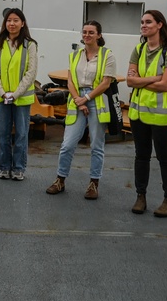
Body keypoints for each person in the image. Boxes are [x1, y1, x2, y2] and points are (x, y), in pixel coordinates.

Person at [46, 21, 115, 199]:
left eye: (91, 32)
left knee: (96, 146)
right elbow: (70, 81)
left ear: (99, 35)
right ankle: (60, 180)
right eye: (84, 32)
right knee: (67, 144)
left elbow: (106, 83)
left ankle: (94, 183)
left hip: (97, 101)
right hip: (77, 101)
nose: (87, 35)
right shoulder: (75, 55)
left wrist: (87, 98)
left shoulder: (107, 55)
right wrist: (78, 100)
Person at [126, 10, 167, 217]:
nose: (144, 25)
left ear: (160, 25)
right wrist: (154, 78)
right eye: (142, 22)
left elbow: (166, 86)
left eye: (148, 22)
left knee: (164, 157)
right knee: (141, 156)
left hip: (163, 116)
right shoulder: (138, 50)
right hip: (138, 115)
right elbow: (130, 81)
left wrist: (141, 80)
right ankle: (141, 196)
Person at [0, 8, 38, 181]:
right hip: (2, 98)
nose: (12, 23)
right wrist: (3, 93)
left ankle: (18, 168)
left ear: (22, 23)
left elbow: (31, 73)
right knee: (2, 133)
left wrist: (15, 94)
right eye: (9, 20)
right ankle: (4, 167)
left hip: (21, 98)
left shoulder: (30, 45)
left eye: (16, 20)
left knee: (21, 134)